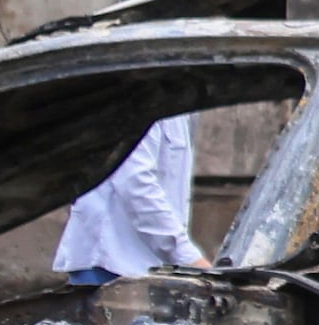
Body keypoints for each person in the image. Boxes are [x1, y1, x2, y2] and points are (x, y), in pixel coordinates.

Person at [55, 117, 207, 287]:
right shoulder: (150, 101)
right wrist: (188, 258)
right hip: (111, 263)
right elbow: (135, 183)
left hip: (142, 266)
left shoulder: (180, 110)